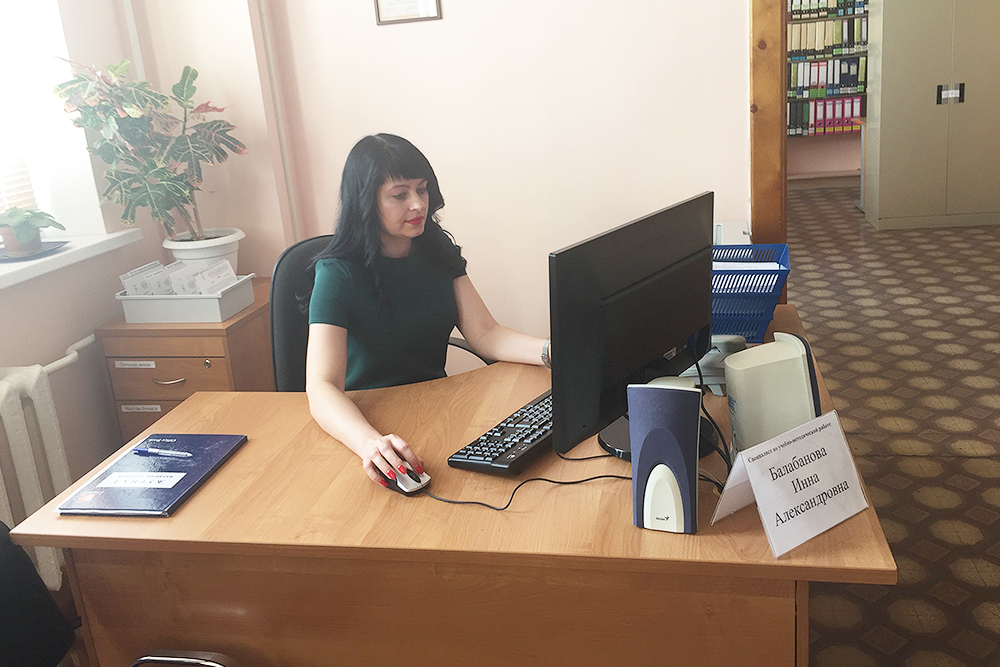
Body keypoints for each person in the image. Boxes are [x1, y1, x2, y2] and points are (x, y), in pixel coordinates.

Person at [305, 134, 551, 488]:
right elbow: (321, 386)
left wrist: (551, 351)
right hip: (367, 427)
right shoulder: (336, 273)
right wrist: (369, 443)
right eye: (400, 195)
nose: (418, 204)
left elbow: (485, 333)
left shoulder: (435, 248)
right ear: (365, 201)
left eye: (422, 190)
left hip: (436, 411)